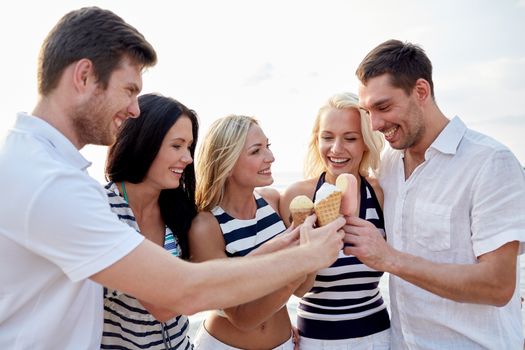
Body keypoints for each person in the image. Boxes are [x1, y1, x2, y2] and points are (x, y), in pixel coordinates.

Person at [0, 7, 346, 349]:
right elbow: (178, 293)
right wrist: (305, 256)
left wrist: (282, 246)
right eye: (129, 89)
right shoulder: (47, 181)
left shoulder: (46, 168)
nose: (135, 109)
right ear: (84, 76)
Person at [344, 39, 525, 349]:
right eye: (368, 111)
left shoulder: (490, 161)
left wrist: (390, 259)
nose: (374, 124)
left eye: (383, 107)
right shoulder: (388, 164)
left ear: (421, 91)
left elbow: (498, 285)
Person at [279, 92, 390, 349]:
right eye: (327, 137)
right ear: (316, 140)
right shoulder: (298, 196)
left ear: (366, 142)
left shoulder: (379, 193)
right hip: (314, 340)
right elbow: (292, 287)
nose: (336, 149)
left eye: (350, 138)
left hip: (378, 337)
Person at [188, 115, 308, 350]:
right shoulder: (206, 226)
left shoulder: (273, 202)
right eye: (256, 151)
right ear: (227, 162)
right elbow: (243, 318)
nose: (270, 157)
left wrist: (312, 239)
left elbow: (303, 289)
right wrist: (299, 263)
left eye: (268, 147)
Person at [102, 93, 198, 349]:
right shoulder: (103, 210)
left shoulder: (179, 210)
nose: (188, 158)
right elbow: (161, 306)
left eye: (189, 147)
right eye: (177, 146)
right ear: (144, 142)